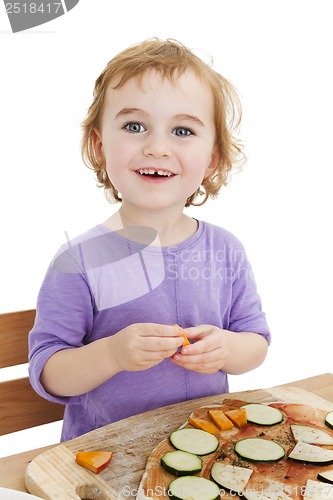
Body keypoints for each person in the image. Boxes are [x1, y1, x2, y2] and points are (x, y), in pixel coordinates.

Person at [28, 38, 271, 441]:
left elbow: (255, 343)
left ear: (211, 158)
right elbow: (48, 374)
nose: (157, 147)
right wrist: (111, 353)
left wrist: (227, 349)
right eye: (134, 126)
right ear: (100, 146)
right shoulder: (80, 259)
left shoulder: (225, 250)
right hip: (103, 458)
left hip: (204, 448)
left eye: (182, 130)